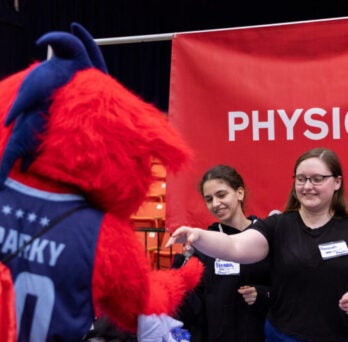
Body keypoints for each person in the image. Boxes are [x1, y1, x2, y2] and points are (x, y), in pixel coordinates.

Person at [167, 147, 348, 342]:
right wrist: (198, 235)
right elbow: (234, 246)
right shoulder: (277, 225)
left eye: (317, 179)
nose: (307, 186)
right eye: (301, 179)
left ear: (337, 182)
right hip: (283, 336)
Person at [172, 165, 270, 341]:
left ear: (239, 193)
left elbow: (286, 291)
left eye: (222, 195)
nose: (216, 204)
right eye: (209, 199)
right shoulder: (204, 244)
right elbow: (192, 304)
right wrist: (178, 279)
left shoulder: (266, 236)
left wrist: (263, 294)